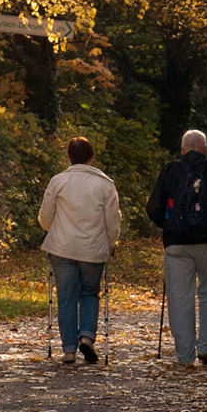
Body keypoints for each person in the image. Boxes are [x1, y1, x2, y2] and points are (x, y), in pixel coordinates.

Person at [146, 129, 207, 367]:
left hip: (177, 244)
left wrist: (169, 227)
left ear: (183, 150)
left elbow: (153, 208)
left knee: (179, 297)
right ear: (205, 150)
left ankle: (185, 356)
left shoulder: (170, 171)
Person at [39, 137, 121, 364]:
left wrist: (52, 229)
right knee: (89, 293)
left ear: (68, 157)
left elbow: (45, 216)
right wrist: (111, 242)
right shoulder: (105, 185)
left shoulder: (58, 181)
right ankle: (86, 336)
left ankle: (68, 349)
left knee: (66, 297)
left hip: (62, 248)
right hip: (92, 250)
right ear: (91, 157)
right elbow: (112, 221)